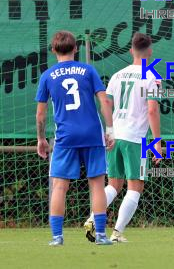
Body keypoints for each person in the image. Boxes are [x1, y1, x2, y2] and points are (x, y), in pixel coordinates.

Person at [35, 30, 114, 246]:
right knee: (97, 185)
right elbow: (104, 101)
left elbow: (40, 114)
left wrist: (41, 138)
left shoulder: (47, 76)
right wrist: (110, 130)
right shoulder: (88, 70)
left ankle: (57, 237)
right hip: (91, 133)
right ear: (76, 48)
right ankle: (100, 235)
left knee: (59, 185)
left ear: (53, 50)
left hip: (65, 136)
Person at [84, 32, 162, 242]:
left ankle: (92, 217)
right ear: (150, 52)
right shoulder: (152, 77)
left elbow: (106, 104)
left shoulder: (117, 75)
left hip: (115, 135)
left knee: (113, 185)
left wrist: (109, 131)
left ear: (131, 51)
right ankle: (117, 233)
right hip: (136, 138)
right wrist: (157, 141)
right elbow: (153, 111)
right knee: (136, 187)